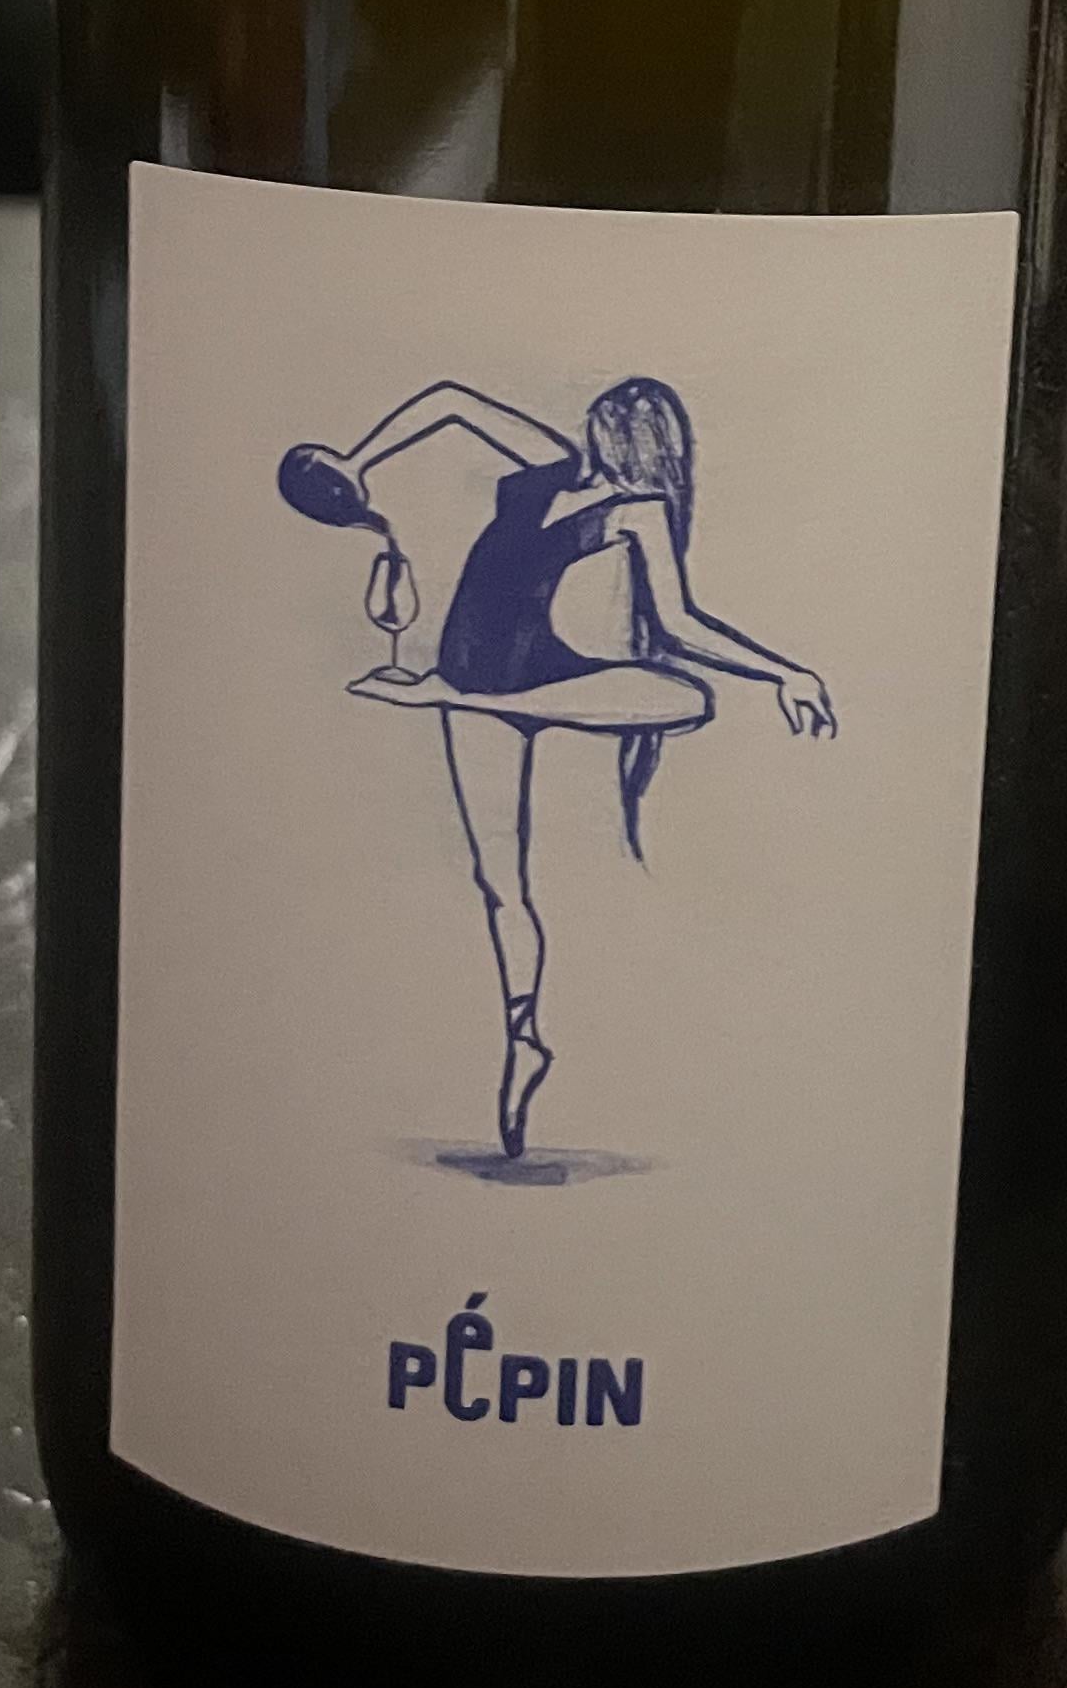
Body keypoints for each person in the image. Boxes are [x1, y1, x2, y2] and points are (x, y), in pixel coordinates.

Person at [282, 377, 835, 1159]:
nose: (605, 436)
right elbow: (450, 401)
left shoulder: (639, 512)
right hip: (471, 672)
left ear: (647, 445)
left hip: (524, 676)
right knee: (499, 882)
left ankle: (472, 700)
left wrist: (784, 672)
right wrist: (358, 461)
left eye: (623, 429)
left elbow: (679, 624)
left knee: (688, 698)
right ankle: (523, 1036)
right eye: (607, 422)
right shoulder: (546, 465)